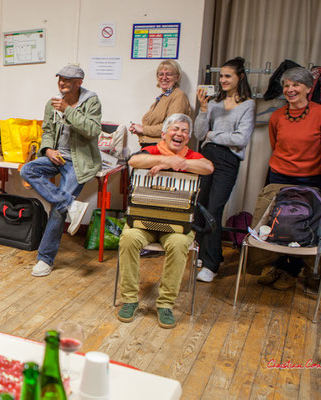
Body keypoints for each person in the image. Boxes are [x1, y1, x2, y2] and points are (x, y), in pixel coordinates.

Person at [116, 113, 214, 329]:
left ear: (188, 138)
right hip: (144, 223)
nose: (179, 134)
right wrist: (165, 160)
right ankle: (130, 300)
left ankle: (165, 304)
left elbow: (208, 168)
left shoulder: (193, 156)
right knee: (129, 238)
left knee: (179, 244)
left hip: (177, 227)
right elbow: (134, 160)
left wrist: (180, 163)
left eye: (184, 131)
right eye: (175, 129)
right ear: (164, 134)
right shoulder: (153, 150)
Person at [257, 67, 321, 291]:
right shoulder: (277, 115)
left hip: (310, 179)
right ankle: (279, 267)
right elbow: (276, 145)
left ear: (308, 88)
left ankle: (293, 271)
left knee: (303, 226)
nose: (290, 90)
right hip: (279, 175)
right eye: (287, 85)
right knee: (277, 223)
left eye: (296, 85)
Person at [20, 64, 102, 277]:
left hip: (78, 160)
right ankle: (71, 205)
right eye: (60, 79)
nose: (62, 83)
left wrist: (68, 111)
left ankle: (45, 259)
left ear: (79, 83)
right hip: (56, 158)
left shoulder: (91, 101)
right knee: (28, 170)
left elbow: (92, 131)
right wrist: (47, 150)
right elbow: (47, 130)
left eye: (67, 80)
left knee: (57, 209)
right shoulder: (51, 103)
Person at [192, 57, 255, 282]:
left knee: (215, 208)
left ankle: (211, 265)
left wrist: (213, 135)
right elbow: (199, 134)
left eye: (228, 76)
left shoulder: (247, 104)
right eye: (221, 76)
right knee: (200, 205)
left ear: (240, 77)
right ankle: (209, 254)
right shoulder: (215, 104)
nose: (223, 80)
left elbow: (240, 138)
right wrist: (203, 109)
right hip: (207, 156)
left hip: (228, 160)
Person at [129, 60, 193, 147]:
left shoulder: (178, 96)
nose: (164, 77)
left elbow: (171, 127)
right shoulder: (163, 97)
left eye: (169, 74)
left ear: (177, 77)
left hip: (163, 148)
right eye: (161, 74)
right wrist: (138, 130)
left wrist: (143, 129)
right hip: (152, 146)